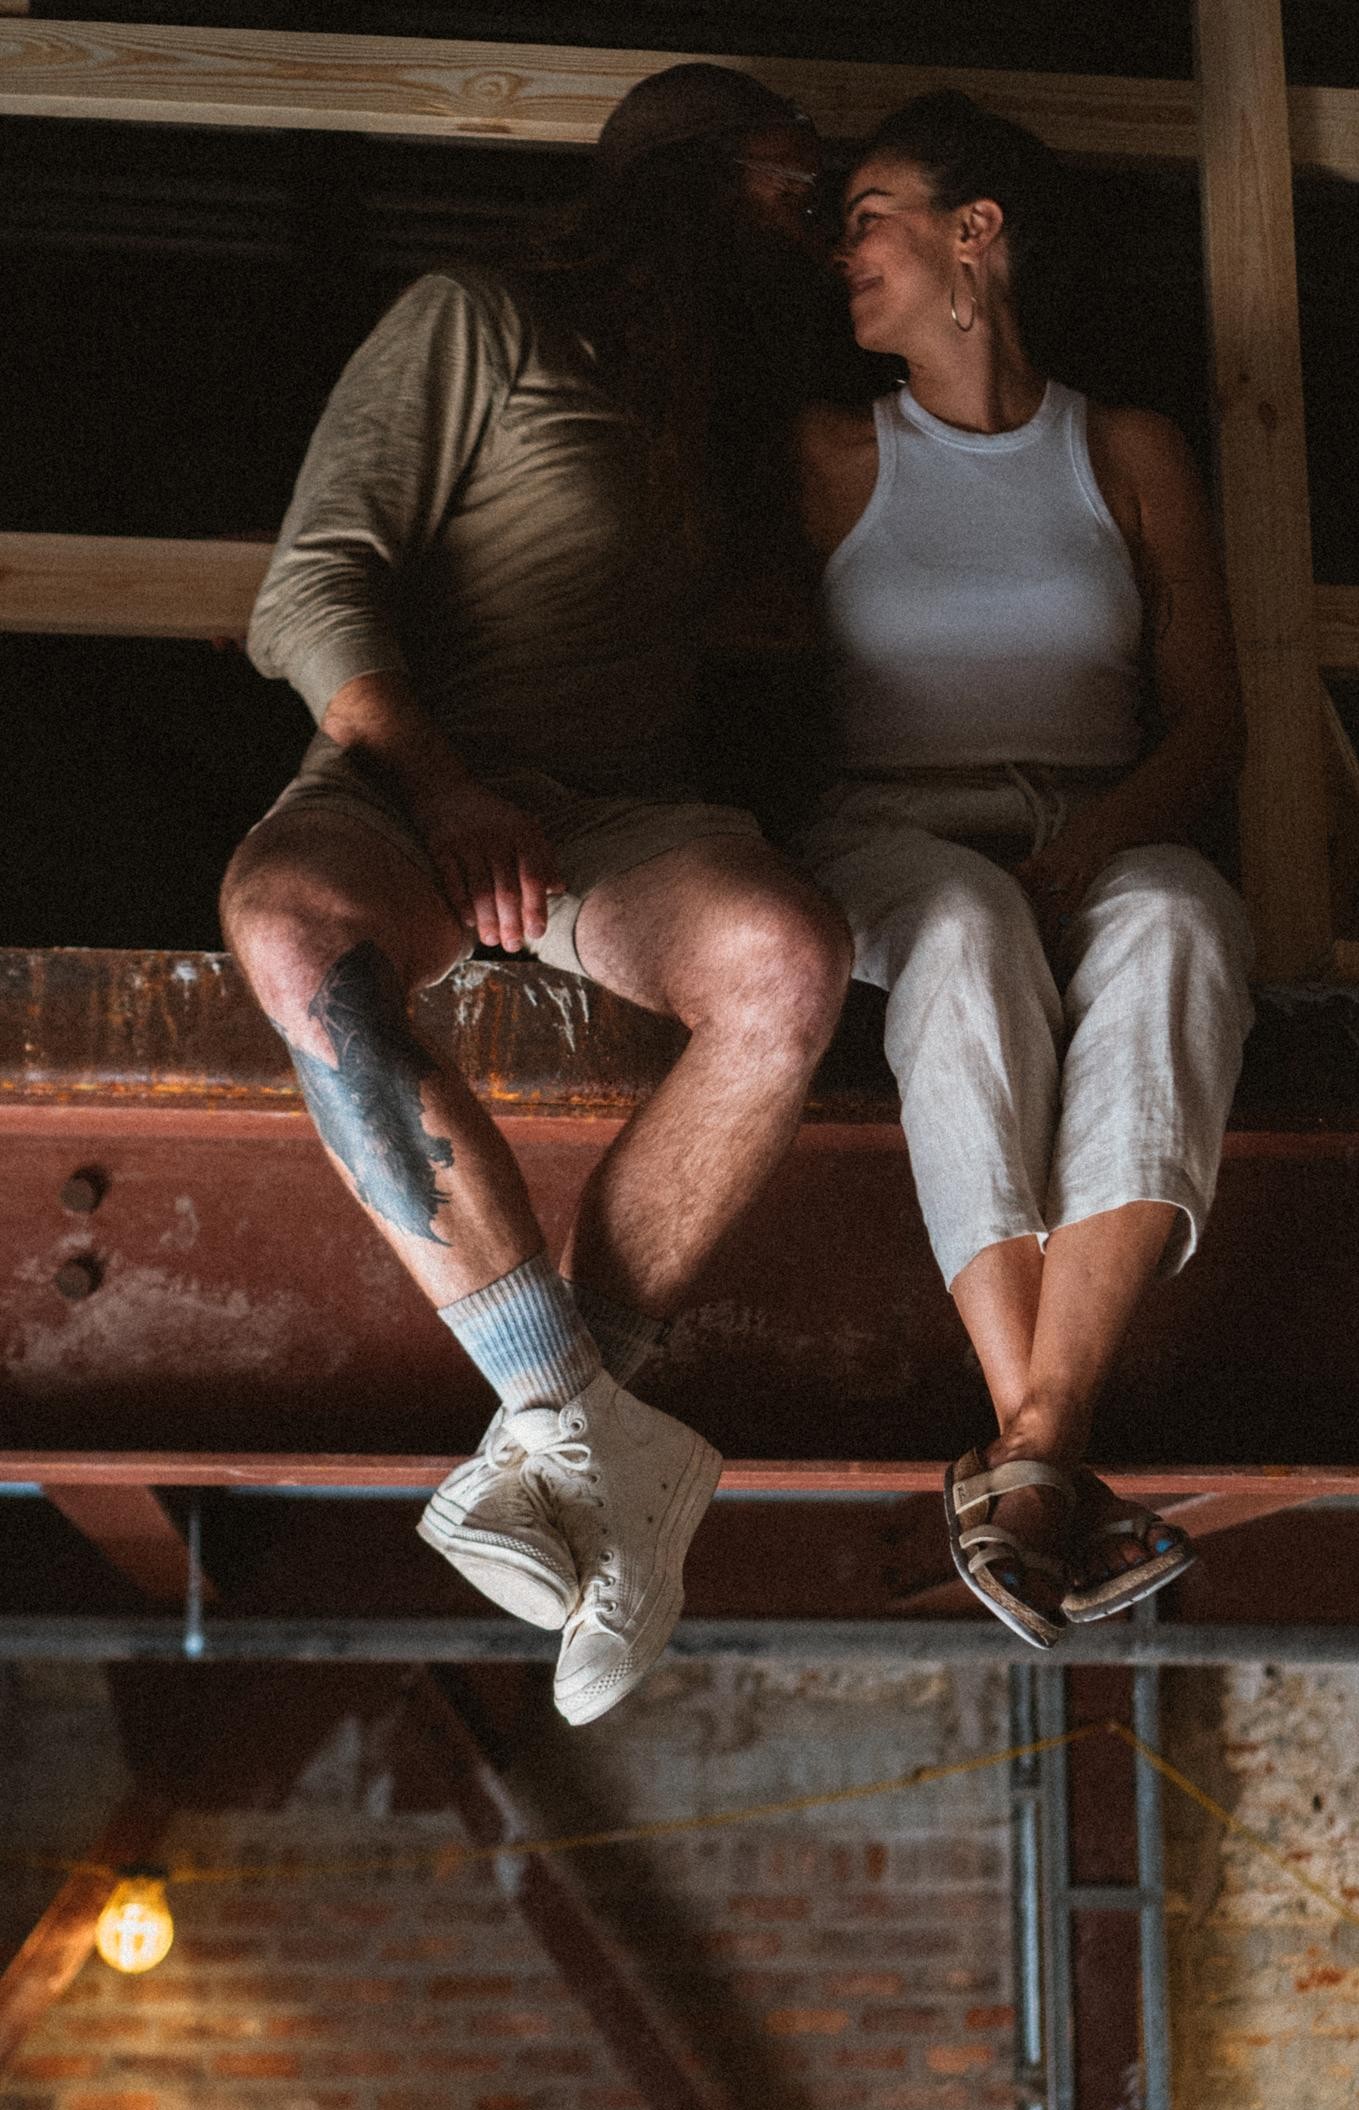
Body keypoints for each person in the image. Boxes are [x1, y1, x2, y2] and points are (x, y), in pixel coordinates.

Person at [221, 64, 853, 1724]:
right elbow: (309, 589)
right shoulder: (478, 320)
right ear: (693, 178)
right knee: (292, 933)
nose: (822, 206)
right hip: (416, 782)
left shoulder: (738, 410)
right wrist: (441, 786)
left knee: (789, 960)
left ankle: (577, 1443)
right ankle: (585, 1430)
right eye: (797, 177)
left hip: (621, 822)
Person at [796, 91, 1254, 1646]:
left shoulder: (1123, 449)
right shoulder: (833, 454)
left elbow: (1210, 720)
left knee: (1189, 915)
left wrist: (1109, 838)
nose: (843, 251)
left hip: (1097, 822)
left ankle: (1032, 1464)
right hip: (891, 830)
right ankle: (1044, 1442)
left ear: (972, 233)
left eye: (870, 215)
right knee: (969, 923)